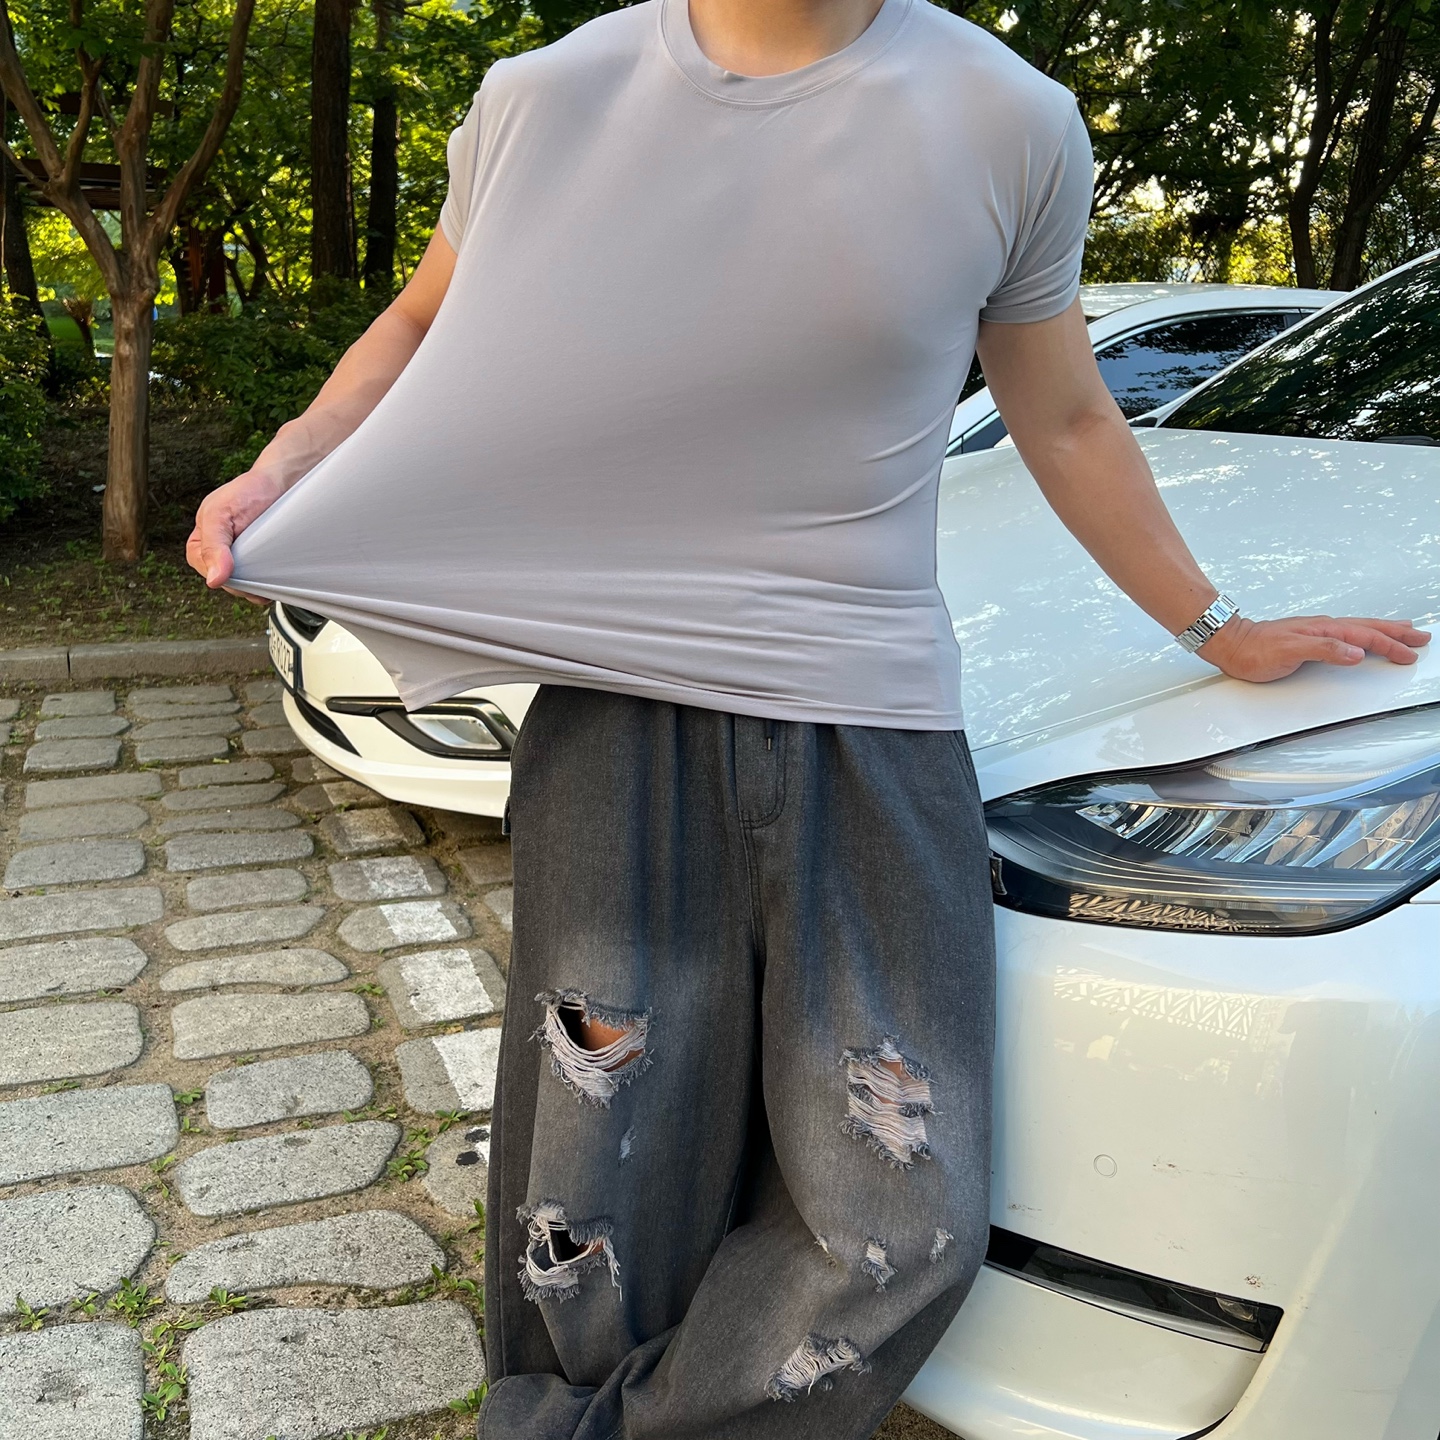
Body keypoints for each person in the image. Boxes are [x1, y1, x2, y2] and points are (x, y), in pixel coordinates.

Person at [188, 0, 1429, 1435]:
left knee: (902, 1222)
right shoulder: (551, 96)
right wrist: (289, 464)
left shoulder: (1007, 117)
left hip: (870, 728)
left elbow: (1068, 418)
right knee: (592, 1188)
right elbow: (421, 325)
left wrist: (1218, 627)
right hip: (616, 716)